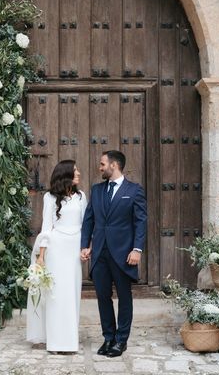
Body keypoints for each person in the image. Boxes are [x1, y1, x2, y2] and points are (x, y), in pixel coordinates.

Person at [80, 150, 148, 358]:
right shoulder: (97, 190)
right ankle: (108, 337)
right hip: (100, 253)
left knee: (124, 297)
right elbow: (89, 220)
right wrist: (85, 245)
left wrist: (137, 249)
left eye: (102, 164)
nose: (100, 168)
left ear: (114, 165)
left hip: (123, 254)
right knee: (102, 297)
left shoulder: (134, 190)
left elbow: (140, 221)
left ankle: (121, 341)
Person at [26, 160, 87, 353]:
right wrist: (41, 256)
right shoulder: (50, 198)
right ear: (66, 175)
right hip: (56, 248)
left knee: (72, 293)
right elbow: (47, 227)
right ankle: (56, 342)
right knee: (56, 295)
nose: (78, 174)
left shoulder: (81, 196)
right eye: (75, 171)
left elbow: (86, 225)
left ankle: (69, 338)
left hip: (74, 249)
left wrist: (86, 248)